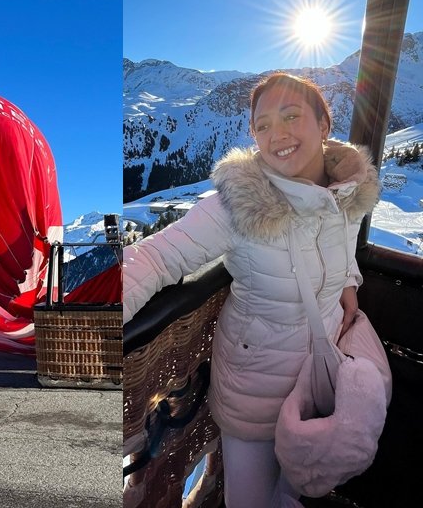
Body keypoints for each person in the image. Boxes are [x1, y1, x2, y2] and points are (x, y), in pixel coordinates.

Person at [123, 72, 380, 507]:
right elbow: (154, 258)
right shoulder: (237, 204)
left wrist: (349, 283)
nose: (275, 134)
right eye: (262, 125)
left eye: (291, 116)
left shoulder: (345, 196)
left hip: (321, 369)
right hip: (254, 389)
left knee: (298, 483)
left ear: (324, 125)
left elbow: (343, 254)